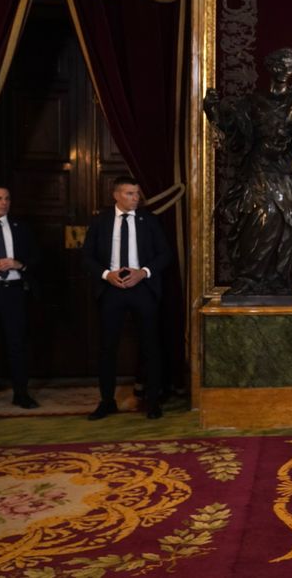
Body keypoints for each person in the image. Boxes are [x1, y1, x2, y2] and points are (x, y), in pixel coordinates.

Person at [203, 48, 292, 296]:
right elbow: (235, 132)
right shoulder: (254, 102)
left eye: (288, 66)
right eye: (278, 65)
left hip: (289, 174)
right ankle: (248, 278)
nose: (283, 70)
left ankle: (275, 276)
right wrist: (213, 111)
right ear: (270, 68)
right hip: (259, 169)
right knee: (256, 218)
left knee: (282, 223)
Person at [82, 176, 172, 420]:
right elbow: (87, 256)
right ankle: (107, 401)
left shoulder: (149, 221)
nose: (136, 197)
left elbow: (165, 254)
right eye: (130, 193)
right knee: (107, 348)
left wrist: (143, 273)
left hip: (142, 289)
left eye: (137, 193)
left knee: (150, 346)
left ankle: (152, 402)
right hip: (111, 289)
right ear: (116, 195)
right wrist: (106, 275)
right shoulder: (100, 221)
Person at [0, 185, 40, 409]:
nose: (4, 203)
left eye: (7, 199)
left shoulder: (20, 228)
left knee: (17, 343)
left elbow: (36, 259)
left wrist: (18, 264)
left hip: (13, 290)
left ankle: (21, 393)